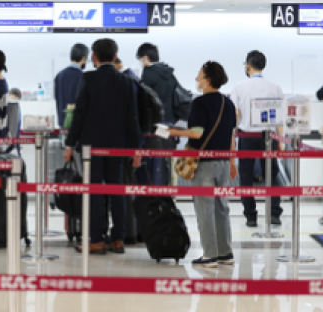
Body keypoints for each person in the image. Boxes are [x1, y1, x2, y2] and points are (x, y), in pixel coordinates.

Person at [64, 38, 141, 255]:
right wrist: (136, 150)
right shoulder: (126, 81)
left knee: (95, 191)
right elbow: (132, 117)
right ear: (115, 57)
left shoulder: (88, 79)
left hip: (92, 147)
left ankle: (96, 239)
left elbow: (79, 114)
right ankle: (118, 238)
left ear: (94, 57)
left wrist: (70, 144)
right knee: (117, 189)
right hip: (118, 146)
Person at [169, 61, 237, 268]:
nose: (197, 79)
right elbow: (232, 134)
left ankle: (209, 255)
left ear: (207, 79)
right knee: (221, 208)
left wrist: (172, 131)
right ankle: (225, 252)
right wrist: (232, 160)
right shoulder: (229, 103)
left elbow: (196, 133)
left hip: (204, 163)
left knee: (204, 208)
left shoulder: (200, 103)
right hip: (223, 162)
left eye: (200, 75)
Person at [230, 50, 285, 227]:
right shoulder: (275, 87)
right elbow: (280, 118)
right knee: (272, 175)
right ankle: (274, 213)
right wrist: (281, 143)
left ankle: (251, 216)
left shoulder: (239, 87)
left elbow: (235, 117)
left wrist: (232, 140)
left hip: (246, 137)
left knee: (245, 176)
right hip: (269, 137)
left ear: (248, 65)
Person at [136, 43, 178, 185]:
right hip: (170, 124)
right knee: (166, 162)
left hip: (155, 125)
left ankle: (153, 200)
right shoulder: (169, 73)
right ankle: (167, 198)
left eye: (141, 59)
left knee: (153, 163)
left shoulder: (148, 72)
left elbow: (144, 100)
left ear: (146, 58)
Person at [54, 43, 89, 128]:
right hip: (78, 126)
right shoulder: (83, 77)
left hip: (62, 124)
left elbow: (57, 98)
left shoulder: (59, 76)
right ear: (84, 58)